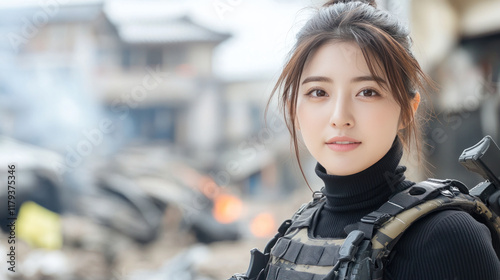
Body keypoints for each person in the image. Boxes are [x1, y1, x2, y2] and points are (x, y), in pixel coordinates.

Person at [229, 0, 500, 279]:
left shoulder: (446, 238)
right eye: (319, 92)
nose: (340, 117)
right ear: (292, 109)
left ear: (407, 109)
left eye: (367, 92)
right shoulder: (290, 235)